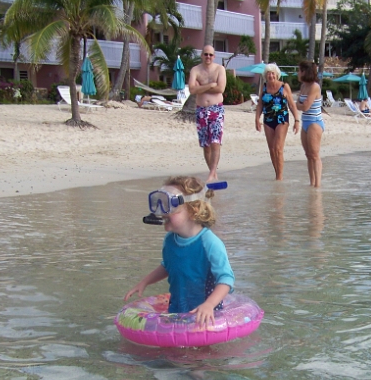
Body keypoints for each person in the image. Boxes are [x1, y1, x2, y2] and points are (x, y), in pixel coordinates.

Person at [124, 176, 234, 326]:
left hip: (207, 315)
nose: (163, 211)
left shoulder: (209, 242)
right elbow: (168, 266)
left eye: (170, 205)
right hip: (177, 310)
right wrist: (145, 281)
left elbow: (226, 279)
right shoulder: (170, 240)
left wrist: (209, 304)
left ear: (193, 210)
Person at [188, 45, 227, 183]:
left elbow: (221, 88)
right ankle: (213, 173)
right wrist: (210, 85)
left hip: (216, 110)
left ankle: (211, 173)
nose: (208, 57)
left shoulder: (220, 69)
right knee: (206, 145)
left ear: (214, 56)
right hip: (201, 111)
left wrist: (200, 87)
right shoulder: (195, 70)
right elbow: (192, 90)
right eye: (206, 54)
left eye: (210, 54)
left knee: (215, 142)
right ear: (202, 55)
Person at [255, 63, 299, 181]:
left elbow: (291, 104)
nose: (271, 76)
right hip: (268, 120)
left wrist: (296, 120)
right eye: (268, 73)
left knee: (278, 148)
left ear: (277, 75)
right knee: (272, 149)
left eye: (273, 73)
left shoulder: (284, 86)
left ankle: (280, 177)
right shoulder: (264, 87)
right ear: (265, 75)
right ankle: (277, 174)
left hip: (282, 119)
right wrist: (257, 119)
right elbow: (260, 104)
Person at [295, 61, 324, 188]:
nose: (298, 73)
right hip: (305, 121)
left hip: (314, 122)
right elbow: (298, 104)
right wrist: (300, 105)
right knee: (308, 155)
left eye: (299, 70)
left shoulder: (314, 86)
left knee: (315, 155)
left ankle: (317, 185)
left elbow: (305, 106)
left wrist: (300, 105)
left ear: (305, 72)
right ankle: (312, 183)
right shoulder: (303, 86)